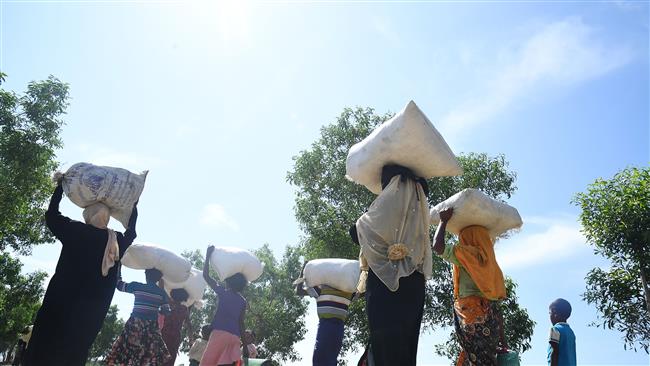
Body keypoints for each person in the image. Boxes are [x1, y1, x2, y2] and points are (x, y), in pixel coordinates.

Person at [22, 177, 138, 366]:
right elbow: (131, 233)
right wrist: (133, 207)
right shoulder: (114, 241)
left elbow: (52, 216)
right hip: (89, 313)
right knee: (76, 350)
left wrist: (60, 188)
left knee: (45, 343)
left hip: (59, 304)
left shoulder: (75, 231)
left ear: (88, 215)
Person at [353, 165, 433, 366]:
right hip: (414, 284)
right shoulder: (417, 211)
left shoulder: (384, 207)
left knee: (385, 350)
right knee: (406, 350)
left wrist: (366, 216)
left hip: (385, 285)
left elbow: (356, 232)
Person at [432, 207, 507, 366]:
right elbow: (497, 309)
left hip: (472, 317)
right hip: (491, 324)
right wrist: (503, 340)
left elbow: (438, 247)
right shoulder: (491, 264)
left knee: (474, 359)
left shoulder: (467, 254)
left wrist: (443, 221)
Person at [106, 265, 171, 366]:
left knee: (128, 352)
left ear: (146, 275)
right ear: (158, 279)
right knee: (145, 355)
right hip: (151, 328)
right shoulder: (162, 294)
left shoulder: (137, 286)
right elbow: (166, 311)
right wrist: (157, 308)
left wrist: (119, 268)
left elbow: (119, 285)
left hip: (134, 325)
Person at [295, 265, 356, 366]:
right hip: (339, 330)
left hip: (325, 327)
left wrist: (304, 270)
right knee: (331, 359)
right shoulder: (348, 291)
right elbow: (361, 291)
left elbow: (299, 290)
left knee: (320, 359)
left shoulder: (321, 288)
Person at [201, 245, 248, 366]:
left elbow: (206, 276)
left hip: (220, 334)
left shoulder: (223, 292)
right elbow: (241, 324)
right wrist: (246, 346)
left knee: (208, 363)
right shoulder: (243, 301)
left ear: (228, 281)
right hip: (234, 338)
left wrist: (207, 256)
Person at [161, 288, 193, 366]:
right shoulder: (184, 309)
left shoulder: (168, 304)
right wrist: (190, 340)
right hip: (175, 336)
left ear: (172, 295)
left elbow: (162, 291)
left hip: (164, 334)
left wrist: (161, 280)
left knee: (160, 356)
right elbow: (189, 326)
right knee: (170, 358)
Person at [548, 298, 576, 366]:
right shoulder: (571, 332)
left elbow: (555, 351)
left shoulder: (555, 329)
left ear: (554, 313)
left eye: (550, 313)